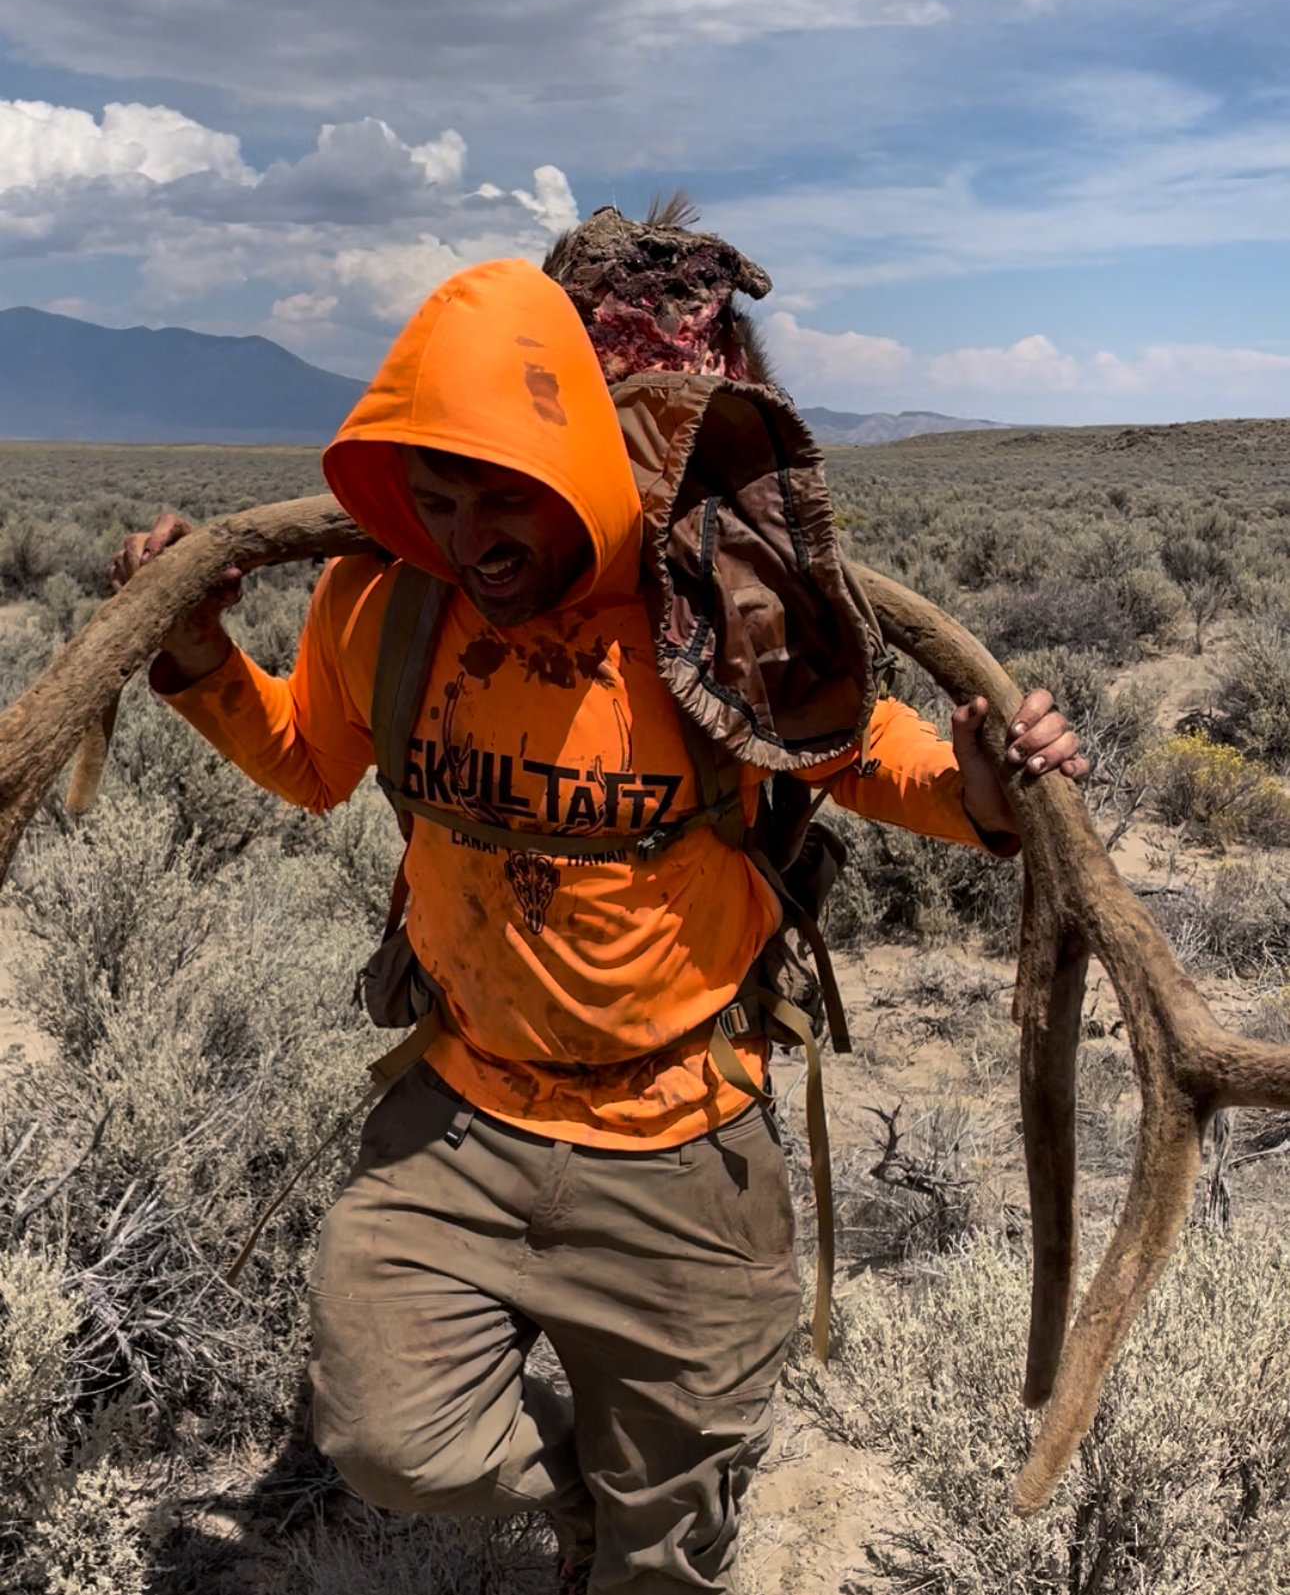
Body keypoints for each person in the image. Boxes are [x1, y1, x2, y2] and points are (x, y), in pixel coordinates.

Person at [113, 258, 1086, 1595]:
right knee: (392, 1445)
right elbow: (308, 760)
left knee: (663, 1557)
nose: (470, 533)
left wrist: (977, 788)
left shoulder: (716, 606)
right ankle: (606, 1502)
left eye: (503, 490)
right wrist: (198, 654)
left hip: (681, 1140)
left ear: (575, 463)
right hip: (455, 1116)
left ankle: (650, 1520)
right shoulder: (385, 602)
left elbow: (860, 753)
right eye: (436, 498)